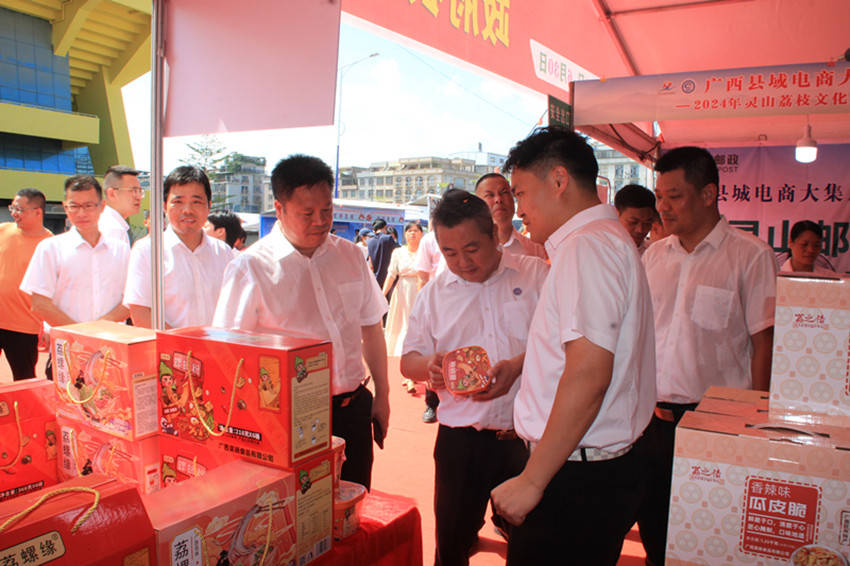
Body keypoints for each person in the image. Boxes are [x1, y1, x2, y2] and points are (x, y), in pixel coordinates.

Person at [490, 127, 656, 566]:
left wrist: (532, 481)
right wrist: (523, 365)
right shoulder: (602, 241)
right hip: (587, 467)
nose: (519, 209)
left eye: (521, 193)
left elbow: (589, 373)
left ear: (559, 180)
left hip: (575, 476)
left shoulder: (588, 247)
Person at [213, 154, 389, 490]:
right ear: (279, 209)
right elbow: (230, 356)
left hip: (353, 408)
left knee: (354, 500)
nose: (320, 221)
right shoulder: (251, 268)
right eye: (307, 214)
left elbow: (371, 328)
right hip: (290, 420)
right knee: (299, 507)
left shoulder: (351, 256)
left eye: (327, 210)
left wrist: (383, 394)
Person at [638, 146, 777, 566]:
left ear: (708, 194)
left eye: (674, 196)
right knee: (656, 532)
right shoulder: (653, 257)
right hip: (653, 422)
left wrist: (757, 423)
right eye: (659, 196)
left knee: (711, 533)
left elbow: (764, 342)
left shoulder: (750, 255)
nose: (663, 207)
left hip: (718, 423)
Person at [401, 189, 549, 566]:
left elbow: (562, 344)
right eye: (449, 253)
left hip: (529, 440)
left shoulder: (536, 275)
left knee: (533, 546)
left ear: (494, 235)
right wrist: (430, 366)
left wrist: (518, 365)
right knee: (452, 545)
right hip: (461, 442)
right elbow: (408, 361)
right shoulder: (434, 295)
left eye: (472, 249)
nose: (462, 263)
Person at [20, 175, 130, 379]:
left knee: (112, 398)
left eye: (88, 205)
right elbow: (40, 304)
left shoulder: (121, 250)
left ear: (102, 206)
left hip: (112, 352)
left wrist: (97, 330)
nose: (81, 213)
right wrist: (82, 336)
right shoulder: (50, 248)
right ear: (65, 207)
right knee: (66, 399)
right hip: (67, 351)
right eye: (74, 206)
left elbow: (130, 300)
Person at [124, 166, 236, 329]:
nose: (187, 210)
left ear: (209, 206)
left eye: (196, 202)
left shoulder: (223, 252)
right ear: (164, 206)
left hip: (217, 344)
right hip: (166, 345)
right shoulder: (148, 251)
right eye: (178, 202)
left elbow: (233, 307)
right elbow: (141, 312)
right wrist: (184, 344)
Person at [0, 188, 52, 380]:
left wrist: (48, 325)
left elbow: (53, 290)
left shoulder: (50, 244)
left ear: (38, 212)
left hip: (23, 326)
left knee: (24, 379)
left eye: (20, 210)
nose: (14, 213)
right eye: (13, 208)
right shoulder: (3, 230)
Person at [382, 222, 423, 392]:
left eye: (416, 231)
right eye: (409, 231)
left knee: (419, 331)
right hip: (403, 293)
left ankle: (415, 370)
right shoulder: (398, 253)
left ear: (421, 234)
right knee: (404, 329)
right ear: (405, 234)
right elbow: (391, 275)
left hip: (421, 291)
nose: (412, 233)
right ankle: (408, 375)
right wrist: (382, 295)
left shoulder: (425, 252)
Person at [474, 173, 546, 259]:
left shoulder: (536, 250)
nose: (498, 199)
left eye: (504, 192)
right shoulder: (467, 252)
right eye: (490, 195)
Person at [99, 165, 143, 246]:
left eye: (140, 191)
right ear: (112, 194)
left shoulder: (106, 222)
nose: (139, 197)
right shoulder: (113, 229)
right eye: (134, 191)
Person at [614, 183, 656, 254]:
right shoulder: (602, 249)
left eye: (647, 223)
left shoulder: (655, 252)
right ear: (616, 215)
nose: (640, 230)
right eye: (633, 222)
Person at [367, 218, 399, 288]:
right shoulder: (388, 238)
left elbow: (371, 264)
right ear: (385, 227)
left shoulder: (369, 241)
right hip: (388, 279)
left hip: (375, 280)